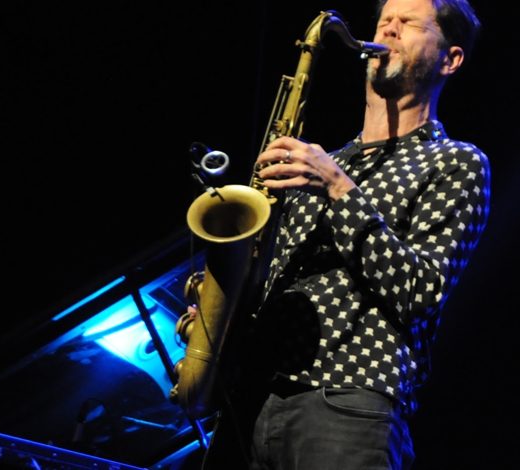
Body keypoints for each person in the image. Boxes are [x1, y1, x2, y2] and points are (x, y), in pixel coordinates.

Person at [198, 0, 490, 469]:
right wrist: (218, 312)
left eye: (409, 22)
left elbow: (421, 293)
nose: (388, 29)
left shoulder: (455, 162)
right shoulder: (316, 163)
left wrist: (339, 188)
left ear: (450, 59)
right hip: (251, 402)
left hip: (348, 401)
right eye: (385, 20)